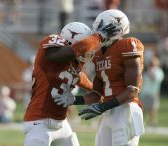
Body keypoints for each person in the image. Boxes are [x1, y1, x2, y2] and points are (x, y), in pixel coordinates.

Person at [52, 9, 145, 146]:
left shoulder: (128, 45)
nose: (99, 32)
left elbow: (132, 91)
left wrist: (103, 107)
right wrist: (73, 99)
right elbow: (97, 94)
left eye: (103, 28)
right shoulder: (99, 54)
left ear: (116, 28)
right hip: (109, 111)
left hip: (126, 108)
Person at [23, 21, 117, 146]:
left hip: (62, 125)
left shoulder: (75, 69)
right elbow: (70, 52)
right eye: (86, 46)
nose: (89, 51)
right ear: (71, 42)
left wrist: (111, 96)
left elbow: (96, 92)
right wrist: (98, 36)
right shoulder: (52, 44)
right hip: (39, 123)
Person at [140, 56, 164, 127]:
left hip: (153, 93)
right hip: (144, 93)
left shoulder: (159, 71)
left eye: (153, 63)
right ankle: (143, 122)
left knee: (153, 109)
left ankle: (153, 122)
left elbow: (156, 79)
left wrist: (151, 72)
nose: (152, 64)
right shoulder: (145, 71)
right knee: (143, 108)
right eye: (151, 63)